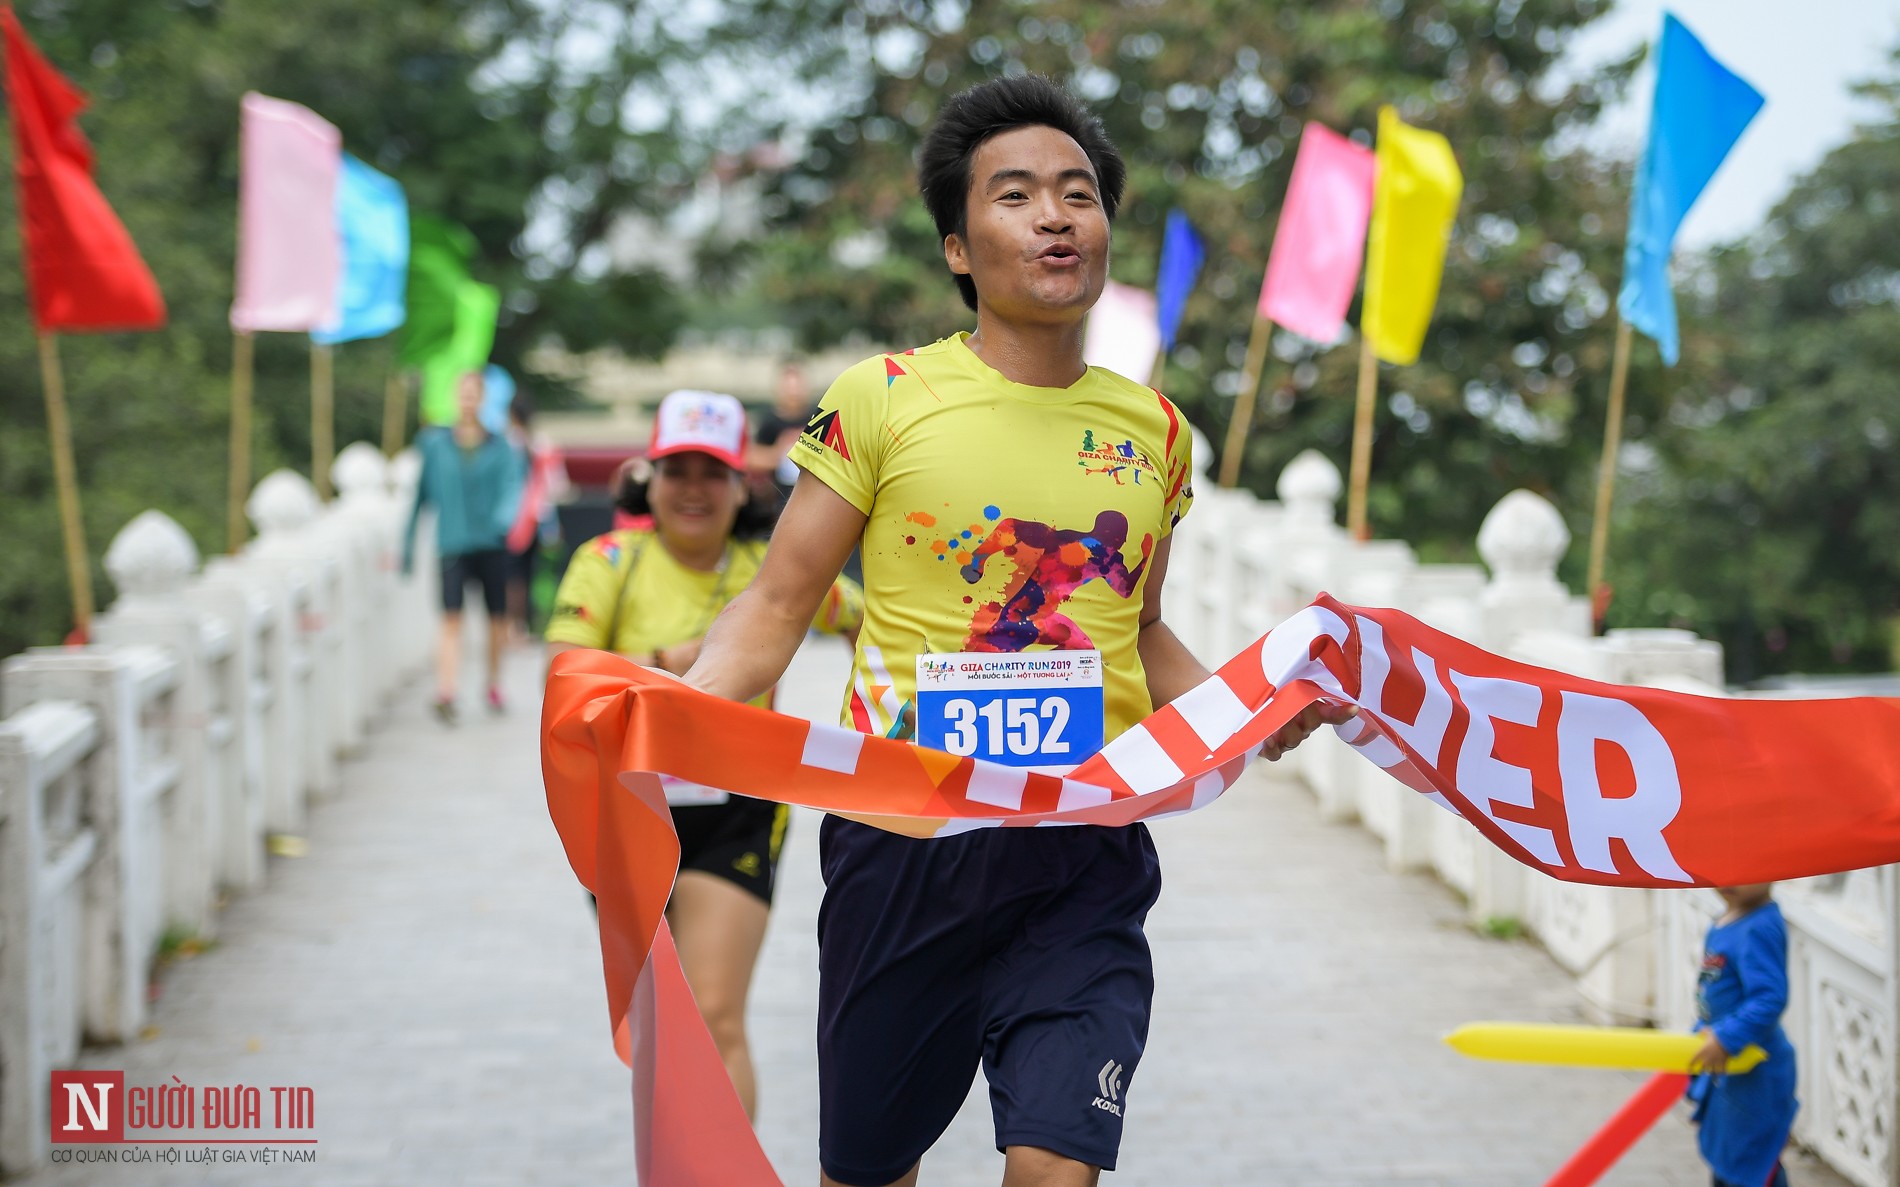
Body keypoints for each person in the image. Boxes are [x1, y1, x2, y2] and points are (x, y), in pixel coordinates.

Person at [681, 75, 1346, 1187]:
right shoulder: (883, 397)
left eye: (1076, 194)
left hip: (1082, 848)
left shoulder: (1155, 430)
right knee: (869, 1168)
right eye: (1017, 194)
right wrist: (677, 712)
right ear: (958, 246)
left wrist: (1254, 704)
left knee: (1055, 1163)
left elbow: (1136, 629)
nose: (1053, 215)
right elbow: (777, 604)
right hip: (904, 845)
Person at [544, 388, 863, 1122]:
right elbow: (561, 673)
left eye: (711, 472)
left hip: (739, 807)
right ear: (646, 480)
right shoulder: (610, 560)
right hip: (624, 808)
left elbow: (863, 619)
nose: (693, 489)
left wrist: (875, 719)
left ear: (738, 483)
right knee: (660, 1021)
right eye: (677, 469)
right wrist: (670, 658)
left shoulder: (774, 570)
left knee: (716, 1011)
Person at [403, 369, 522, 724]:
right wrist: (406, 545)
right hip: (452, 543)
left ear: (482, 399)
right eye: (463, 393)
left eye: (474, 393)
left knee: (495, 618)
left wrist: (501, 523)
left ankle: (493, 683)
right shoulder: (435, 444)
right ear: (457, 397)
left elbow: (512, 487)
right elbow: (420, 496)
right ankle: (446, 690)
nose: (468, 400)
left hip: (490, 544)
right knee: (451, 617)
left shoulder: (500, 445)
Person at [1688, 883, 1799, 1187]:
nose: (1729, 879)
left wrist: (1725, 1037)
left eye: (1744, 871)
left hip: (1755, 1067)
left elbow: (1769, 998)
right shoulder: (1725, 920)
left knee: (1751, 1165)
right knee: (1726, 1159)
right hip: (1729, 1068)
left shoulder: (1760, 925)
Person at [502, 391, 570, 641]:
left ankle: (512, 626)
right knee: (534, 573)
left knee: (512, 575)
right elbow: (558, 486)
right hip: (541, 520)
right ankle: (531, 625)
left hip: (510, 521)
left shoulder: (504, 444)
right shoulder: (544, 445)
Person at [747, 356, 815, 511]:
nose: (793, 392)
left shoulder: (816, 419)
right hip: (779, 498)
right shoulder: (769, 422)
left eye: (797, 385)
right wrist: (781, 451)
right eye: (789, 386)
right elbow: (753, 458)